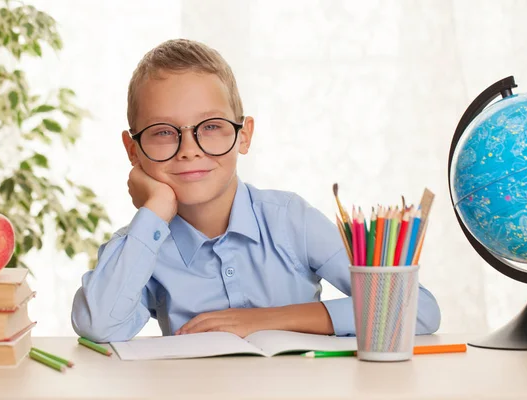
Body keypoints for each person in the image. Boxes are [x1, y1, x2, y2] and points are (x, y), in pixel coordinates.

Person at [71, 39, 441, 342]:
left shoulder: (290, 221)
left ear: (243, 135)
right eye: (164, 132)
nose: (189, 149)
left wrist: (266, 320)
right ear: (133, 150)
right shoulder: (142, 245)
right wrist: (155, 209)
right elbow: (98, 325)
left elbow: (418, 309)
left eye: (212, 126)